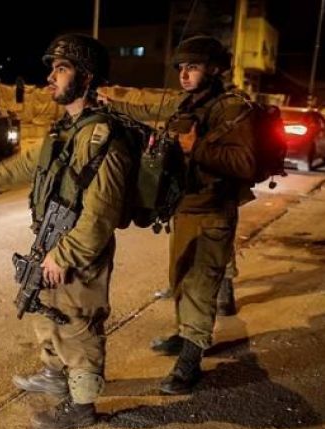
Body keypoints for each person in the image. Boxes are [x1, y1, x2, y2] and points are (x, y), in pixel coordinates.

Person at [0, 34, 133, 429]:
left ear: (86, 77)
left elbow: (100, 217)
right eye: (52, 68)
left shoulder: (103, 140)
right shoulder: (64, 131)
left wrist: (63, 256)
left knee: (78, 325)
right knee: (46, 311)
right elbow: (24, 166)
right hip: (51, 241)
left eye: (61, 69)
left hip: (79, 252)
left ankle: (82, 408)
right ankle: (55, 377)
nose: (50, 77)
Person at [102, 35, 256, 394]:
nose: (184, 74)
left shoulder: (231, 108)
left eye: (193, 67)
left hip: (213, 213)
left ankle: (191, 359)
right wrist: (110, 101)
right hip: (185, 208)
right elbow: (148, 108)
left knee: (200, 286)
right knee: (181, 279)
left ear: (214, 70)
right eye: (181, 68)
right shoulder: (187, 102)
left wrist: (196, 146)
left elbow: (245, 162)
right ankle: (185, 335)